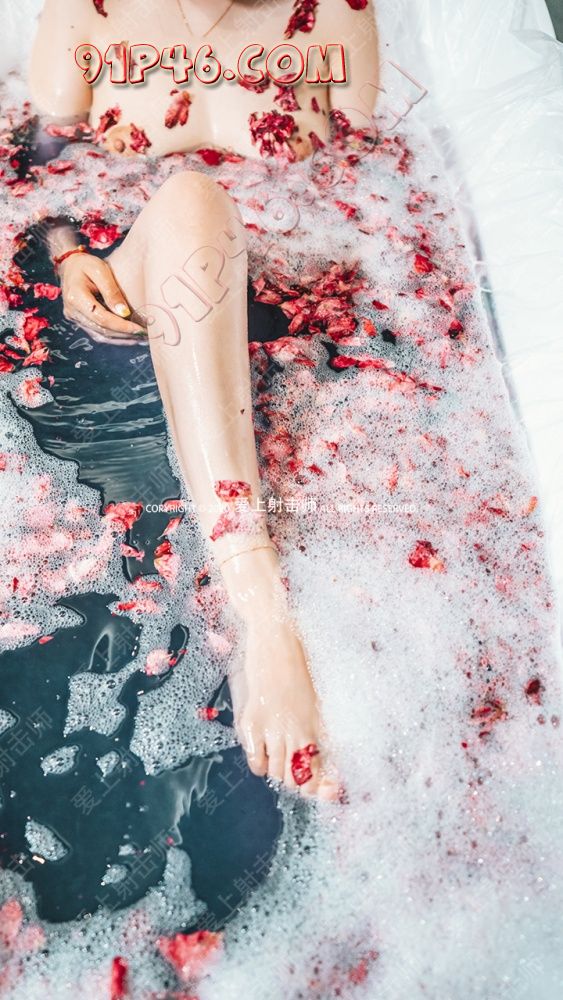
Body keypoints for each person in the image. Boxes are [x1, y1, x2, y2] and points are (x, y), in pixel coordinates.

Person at [28, 0, 380, 800]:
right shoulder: (88, 13)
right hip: (130, 303)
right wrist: (68, 254)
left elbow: (379, 174)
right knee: (192, 197)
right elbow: (30, 161)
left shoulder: (333, 14)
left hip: (281, 318)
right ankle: (261, 613)